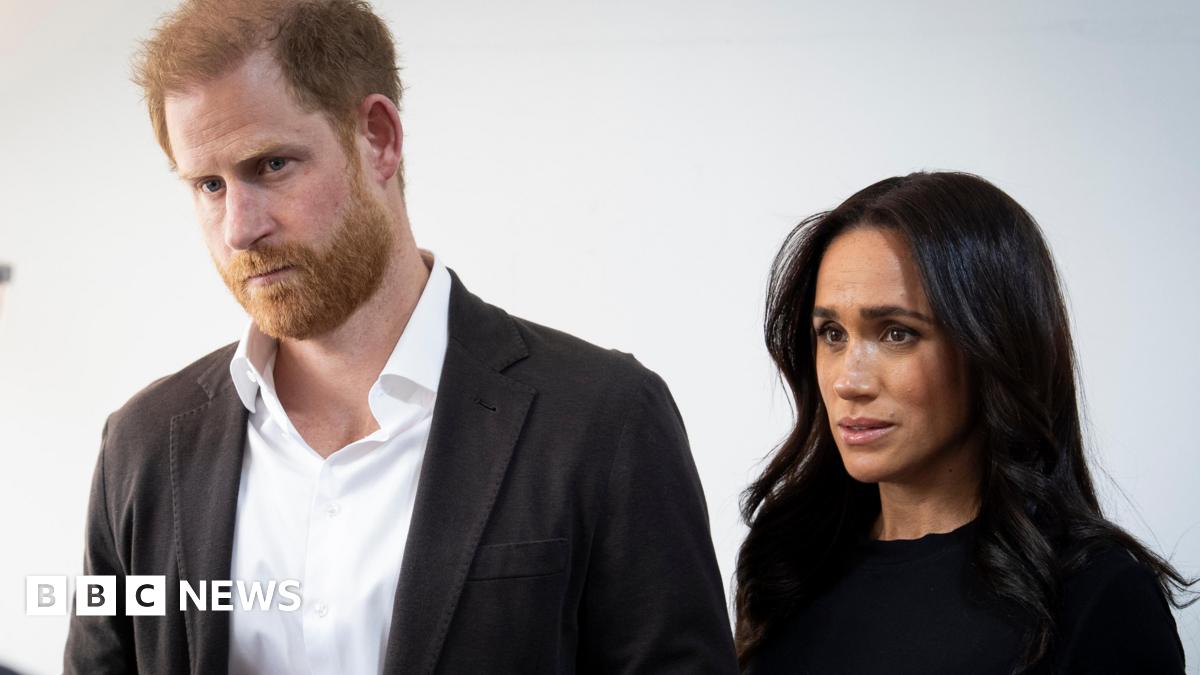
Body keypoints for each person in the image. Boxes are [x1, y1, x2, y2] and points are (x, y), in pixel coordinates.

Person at [63, 0, 738, 672]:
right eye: (209, 184)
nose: (240, 229)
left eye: (271, 166)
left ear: (379, 138)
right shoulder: (142, 445)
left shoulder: (604, 421)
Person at [735, 172, 1193, 674]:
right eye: (832, 333)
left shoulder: (1092, 595)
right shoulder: (786, 567)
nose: (849, 380)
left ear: (993, 345)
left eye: (896, 333)